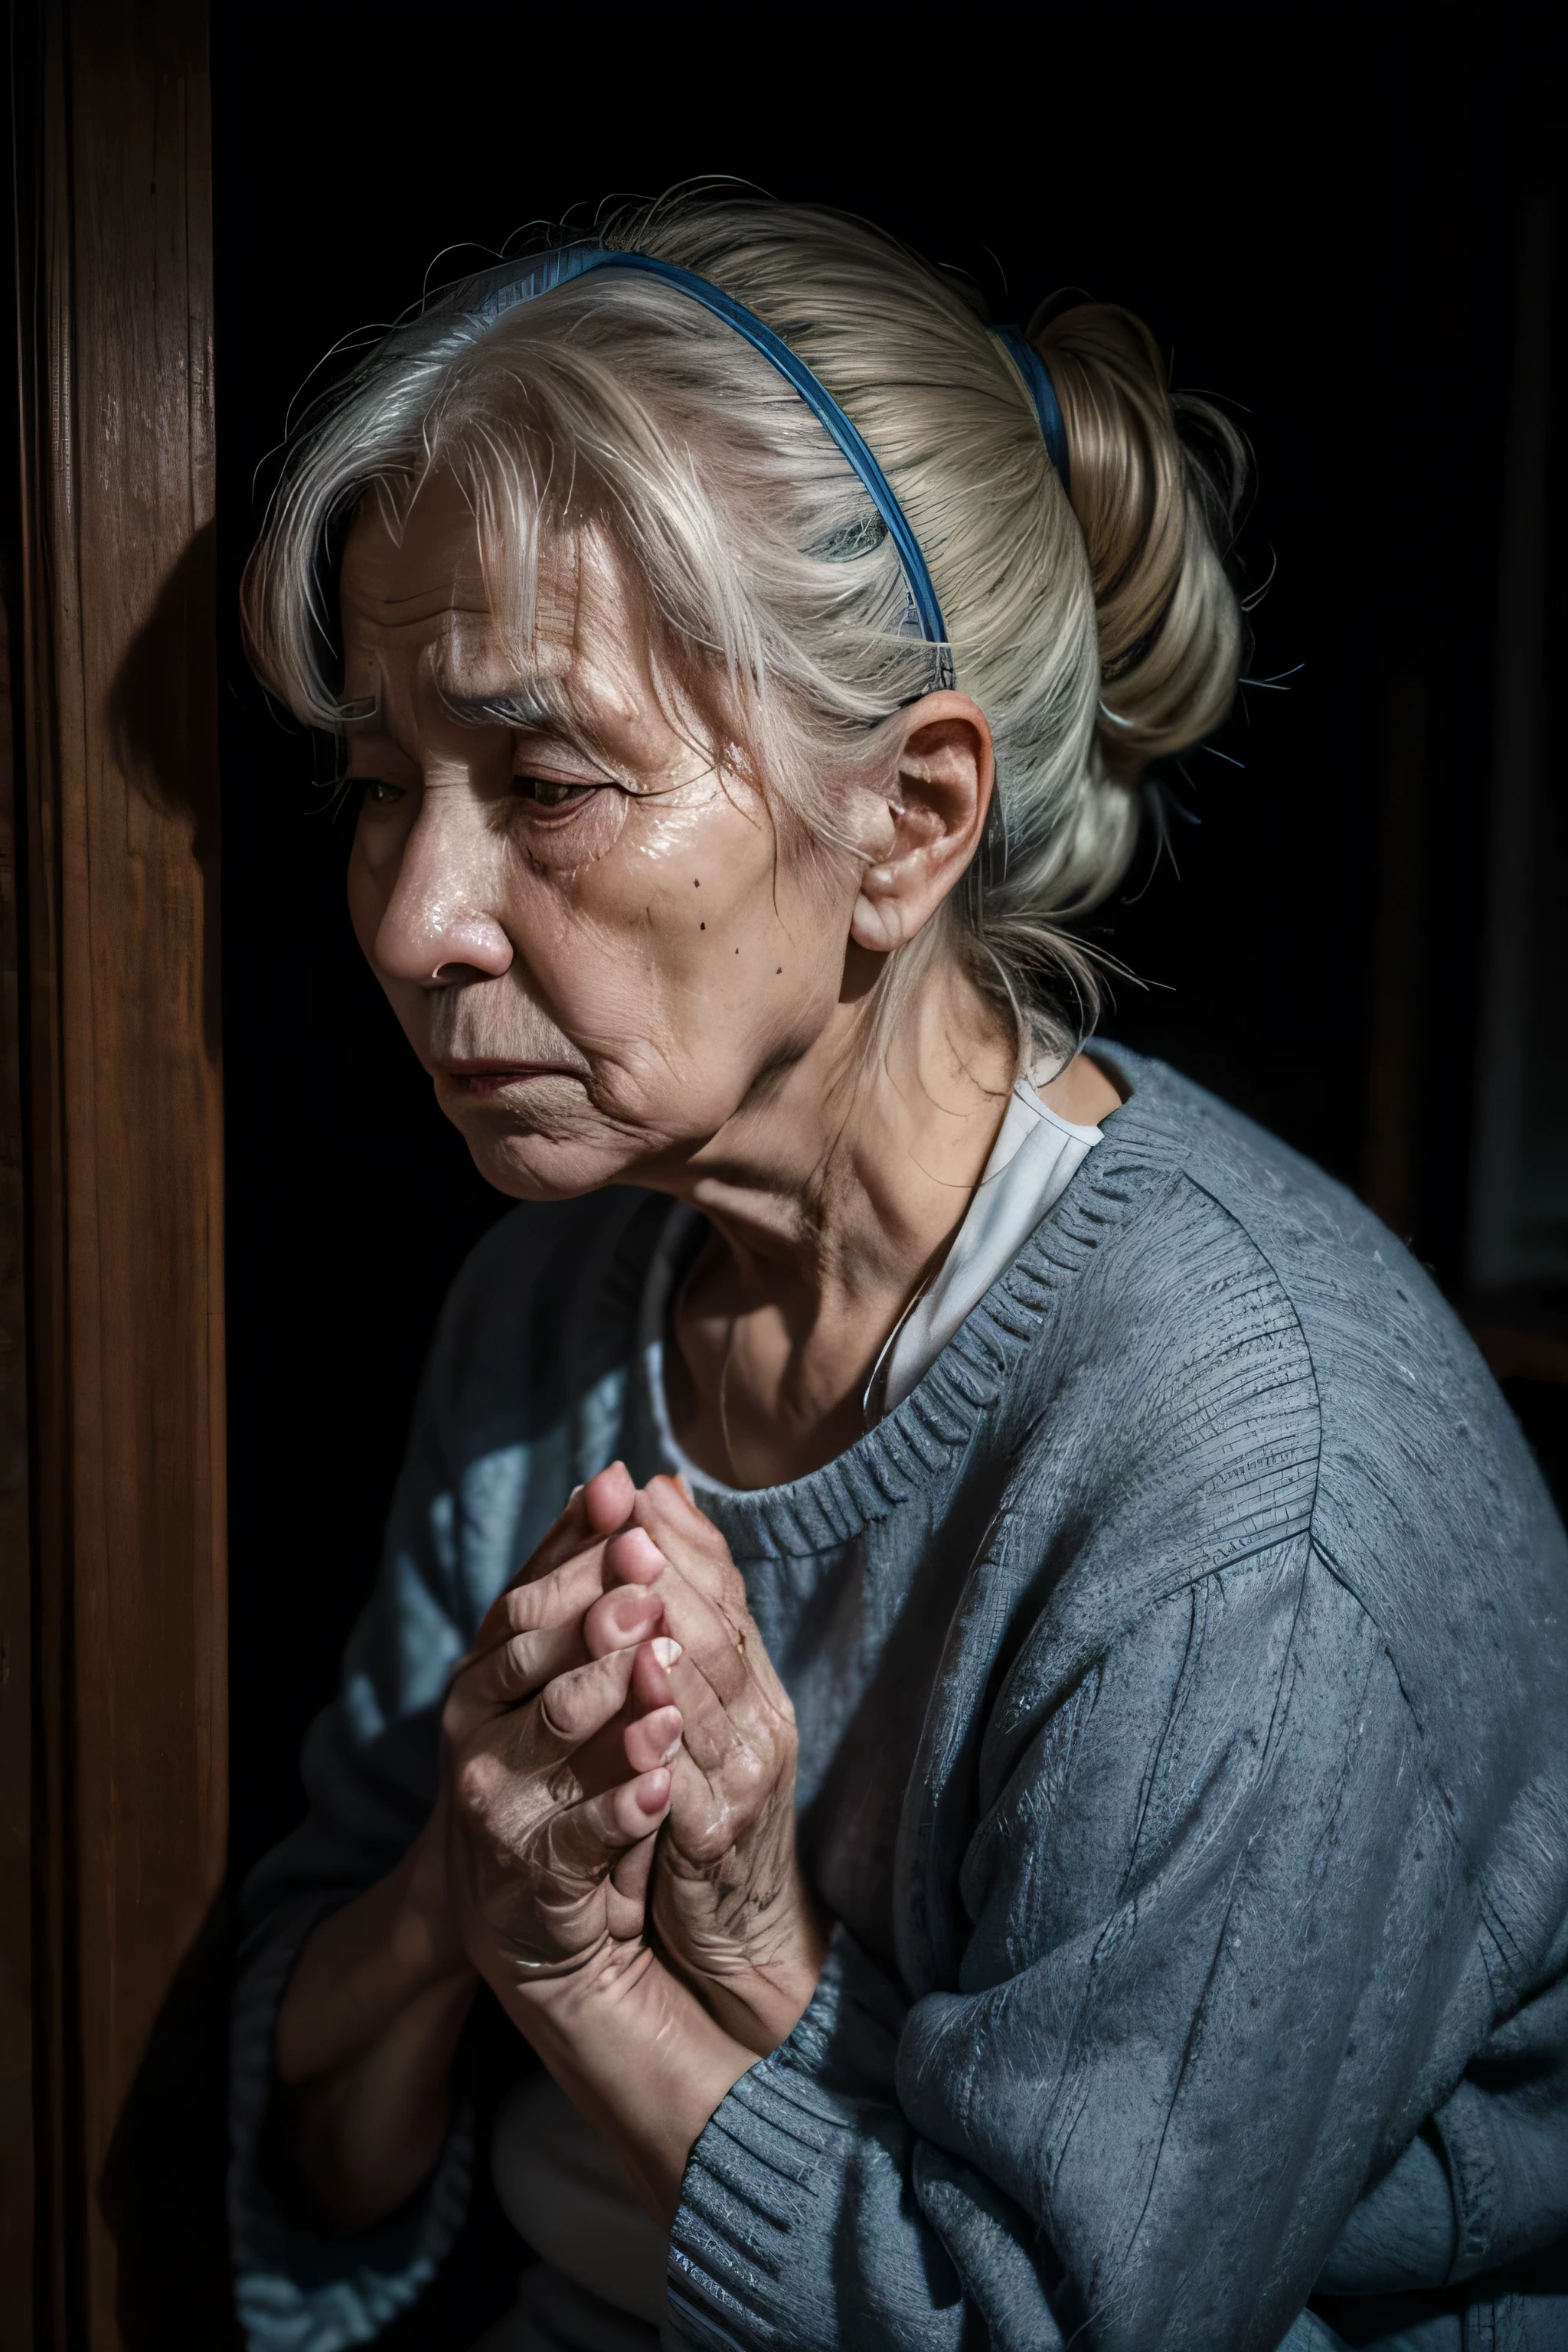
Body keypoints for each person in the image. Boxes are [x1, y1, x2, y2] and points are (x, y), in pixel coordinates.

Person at [228, 197, 1568, 2352]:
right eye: (387, 789)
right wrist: (444, 1909)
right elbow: (304, 2150)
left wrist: (583, 1972)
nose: (412, 919)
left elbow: (1036, 2318)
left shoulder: (1259, 1481)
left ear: (912, 821)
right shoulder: (552, 1306)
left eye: (546, 779)